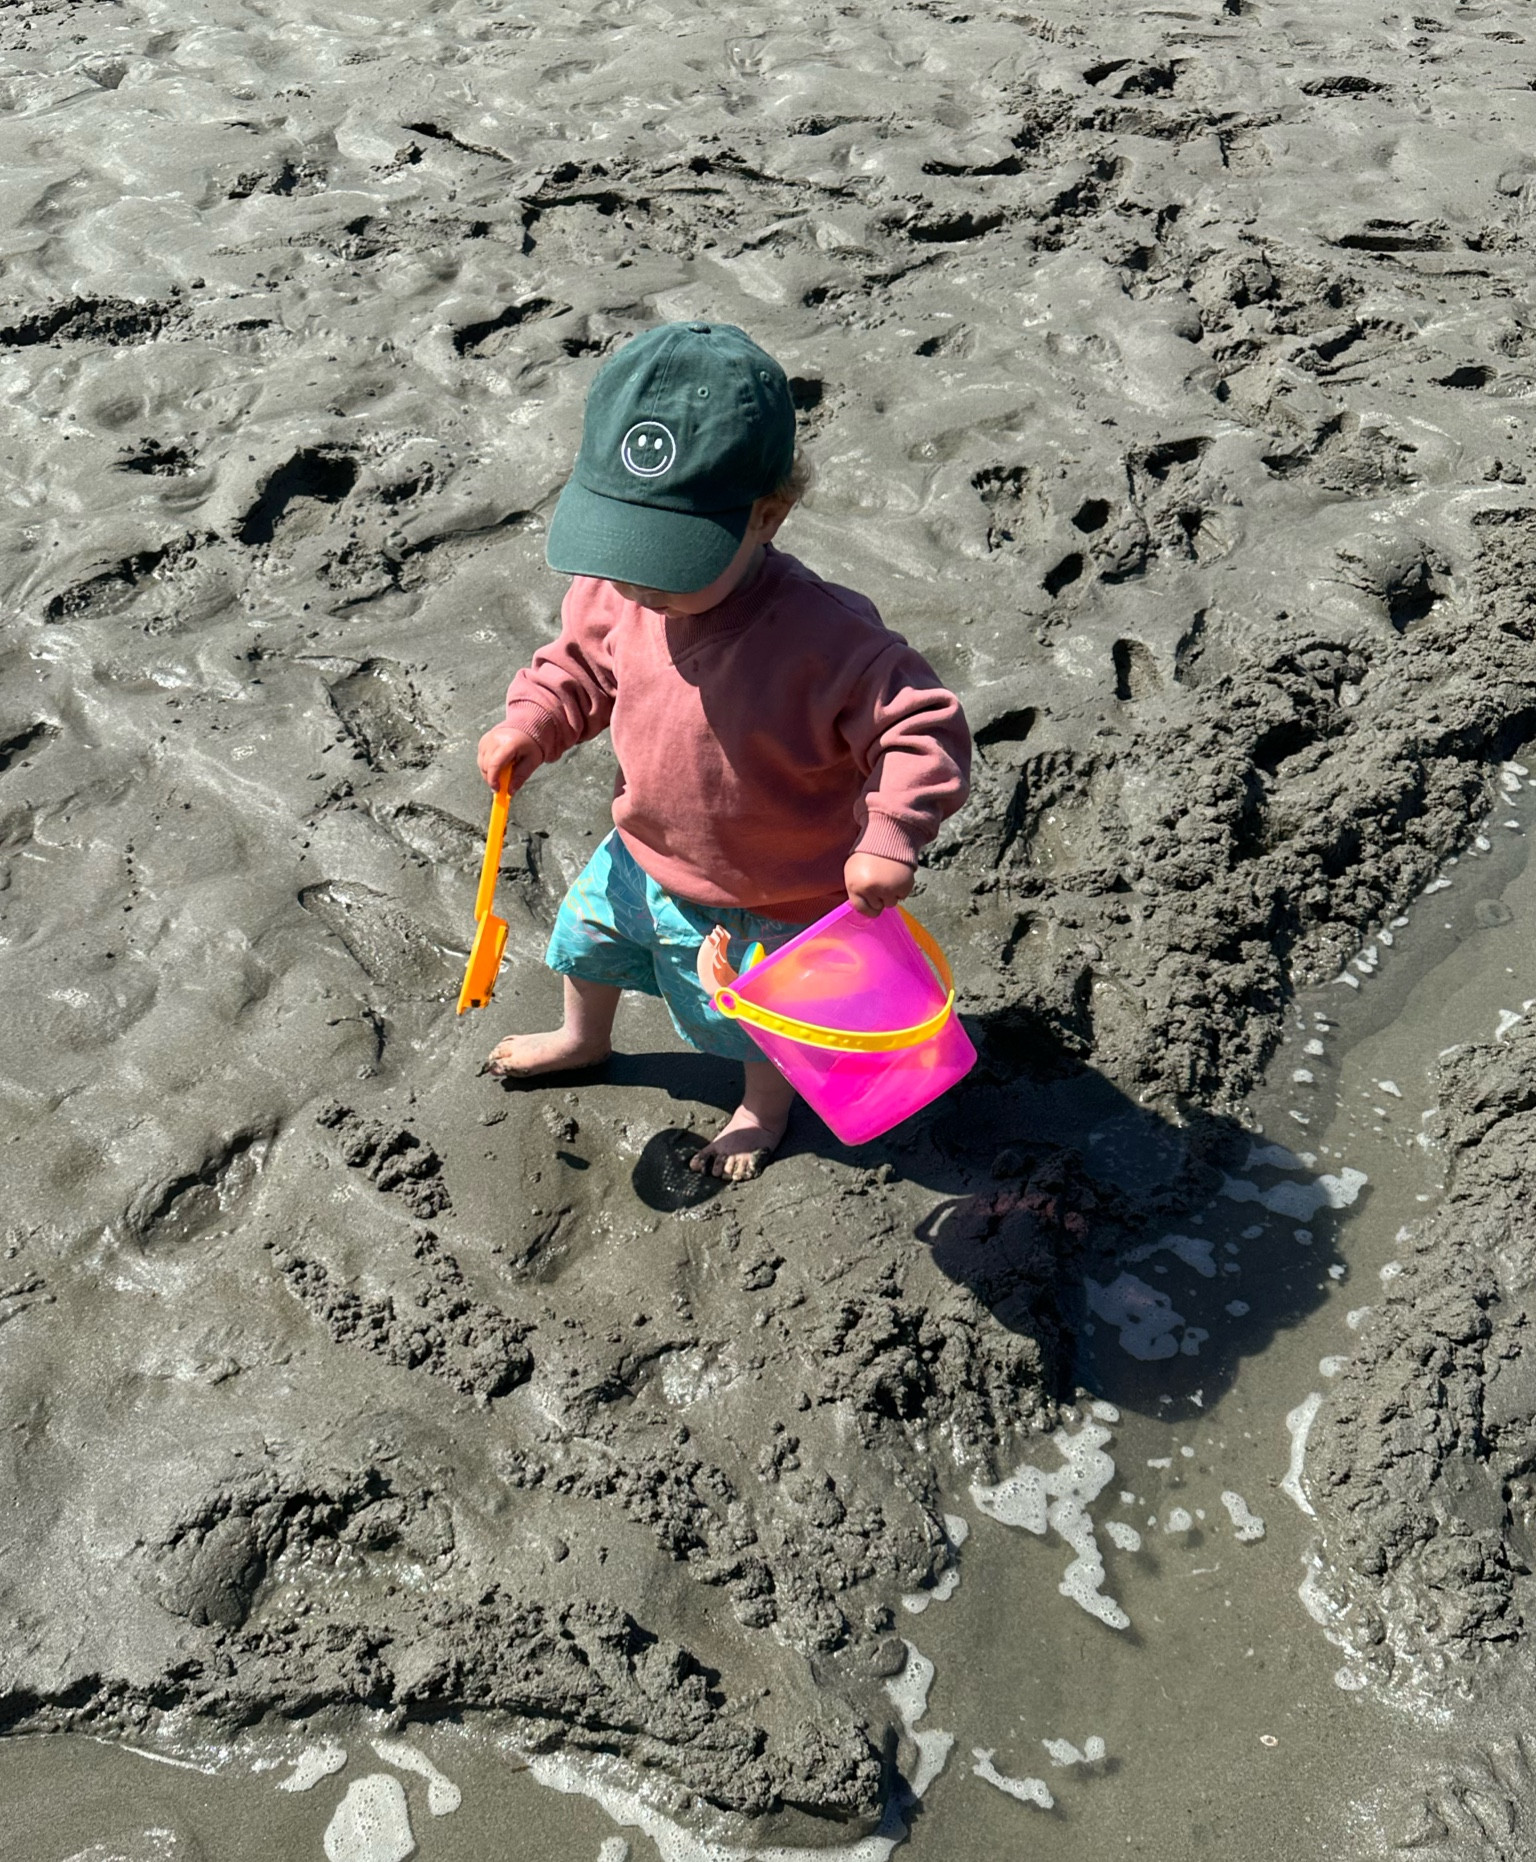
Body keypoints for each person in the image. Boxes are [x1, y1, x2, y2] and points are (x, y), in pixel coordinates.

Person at [476, 320, 971, 1180]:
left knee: (755, 1020)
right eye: (621, 547)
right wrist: (534, 720)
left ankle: (760, 1109)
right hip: (640, 851)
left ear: (766, 516)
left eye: (667, 561)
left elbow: (919, 728)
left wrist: (890, 834)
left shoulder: (827, 638)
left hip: (774, 894)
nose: (636, 585)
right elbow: (581, 666)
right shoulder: (617, 592)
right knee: (584, 942)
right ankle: (582, 1038)